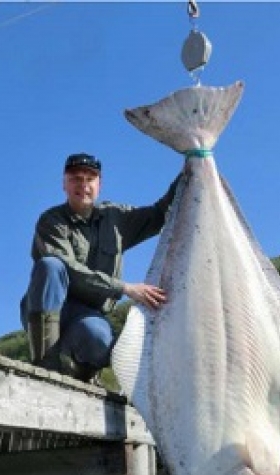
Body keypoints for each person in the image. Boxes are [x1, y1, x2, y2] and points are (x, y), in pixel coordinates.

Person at [20, 152, 182, 382]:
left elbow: (159, 214)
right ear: (64, 184)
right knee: (50, 265)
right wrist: (125, 288)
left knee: (100, 339)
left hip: (89, 315)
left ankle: (81, 373)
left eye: (90, 179)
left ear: (99, 184)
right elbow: (70, 270)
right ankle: (46, 368)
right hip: (53, 307)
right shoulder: (51, 221)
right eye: (76, 179)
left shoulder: (116, 217)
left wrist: (189, 167)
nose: (83, 185)